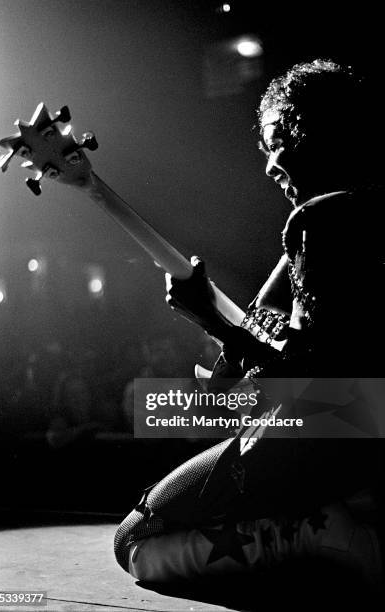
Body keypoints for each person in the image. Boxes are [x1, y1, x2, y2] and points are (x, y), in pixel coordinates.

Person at [114, 60, 384, 589]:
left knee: (136, 542)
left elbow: (319, 385)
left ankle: (313, 529)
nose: (269, 165)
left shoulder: (321, 219)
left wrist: (211, 318)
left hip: (347, 430)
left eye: (279, 138)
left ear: (322, 130)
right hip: (368, 431)